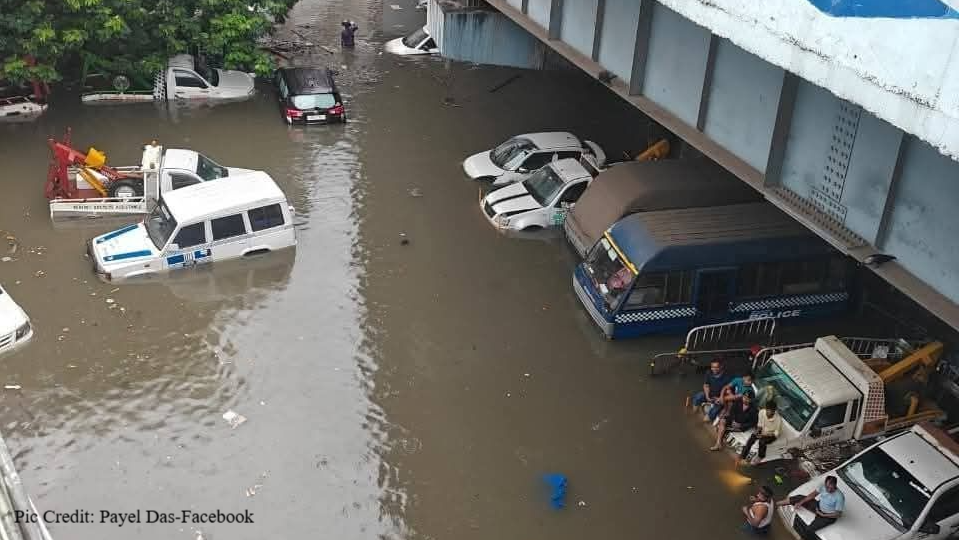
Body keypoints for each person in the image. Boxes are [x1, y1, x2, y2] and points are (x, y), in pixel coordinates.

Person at [777, 476, 844, 535]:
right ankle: (776, 504)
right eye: (827, 487)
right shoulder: (822, 486)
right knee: (799, 497)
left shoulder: (839, 496)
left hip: (827, 516)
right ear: (825, 483)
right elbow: (812, 495)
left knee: (809, 530)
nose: (828, 490)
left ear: (835, 485)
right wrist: (800, 502)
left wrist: (823, 515)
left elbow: (838, 514)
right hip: (818, 507)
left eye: (831, 488)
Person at [736, 400, 782, 467]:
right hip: (762, 430)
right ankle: (743, 456)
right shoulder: (761, 412)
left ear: (774, 411)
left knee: (762, 441)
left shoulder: (778, 419)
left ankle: (760, 456)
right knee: (752, 437)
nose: (768, 412)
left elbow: (776, 433)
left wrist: (764, 435)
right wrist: (757, 431)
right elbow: (760, 425)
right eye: (767, 410)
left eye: (771, 411)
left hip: (771, 434)